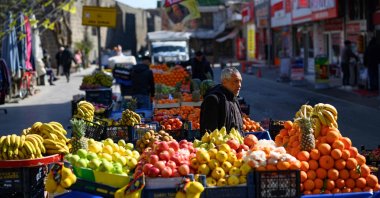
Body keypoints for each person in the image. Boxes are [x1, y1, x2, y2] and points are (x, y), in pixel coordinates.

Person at [200, 67, 243, 136]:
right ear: (224, 82)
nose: (239, 85)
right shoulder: (213, 100)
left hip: (237, 145)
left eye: (240, 81)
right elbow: (210, 133)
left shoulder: (234, 98)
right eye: (235, 81)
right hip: (223, 146)